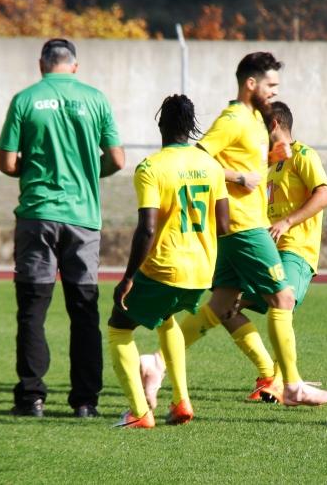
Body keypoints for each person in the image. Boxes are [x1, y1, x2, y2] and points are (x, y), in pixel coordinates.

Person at [158, 52, 327, 407]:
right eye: (270, 86)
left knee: (222, 306)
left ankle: (157, 362)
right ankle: (292, 384)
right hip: (245, 227)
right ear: (251, 84)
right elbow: (197, 158)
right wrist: (238, 177)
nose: (274, 92)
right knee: (282, 299)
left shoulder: (256, 122)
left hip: (234, 228)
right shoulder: (235, 118)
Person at [0, 38, 125, 418]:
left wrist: (35, 170)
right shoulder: (96, 99)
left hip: (38, 214)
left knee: (32, 309)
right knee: (83, 310)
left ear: (41, 64)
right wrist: (87, 172)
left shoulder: (25, 99)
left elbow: (5, 162)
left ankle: (31, 398)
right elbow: (117, 159)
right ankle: (85, 401)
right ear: (75, 66)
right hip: (83, 219)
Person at [109, 95, 229, 428]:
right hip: (201, 271)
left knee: (118, 329)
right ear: (192, 127)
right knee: (166, 319)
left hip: (164, 266)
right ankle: (181, 403)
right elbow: (223, 225)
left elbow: (147, 228)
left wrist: (128, 277)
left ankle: (138, 412)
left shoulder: (151, 167)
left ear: (160, 123)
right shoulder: (211, 165)